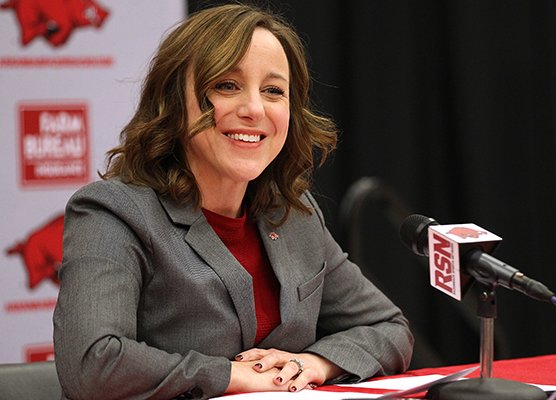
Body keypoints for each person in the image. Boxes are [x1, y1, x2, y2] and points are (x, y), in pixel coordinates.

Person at [53, 3, 414, 399]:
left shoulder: (293, 213)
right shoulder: (113, 212)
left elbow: (389, 328)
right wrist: (232, 376)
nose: (254, 109)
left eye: (274, 91)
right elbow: (93, 364)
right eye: (227, 85)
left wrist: (311, 364)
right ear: (173, 102)